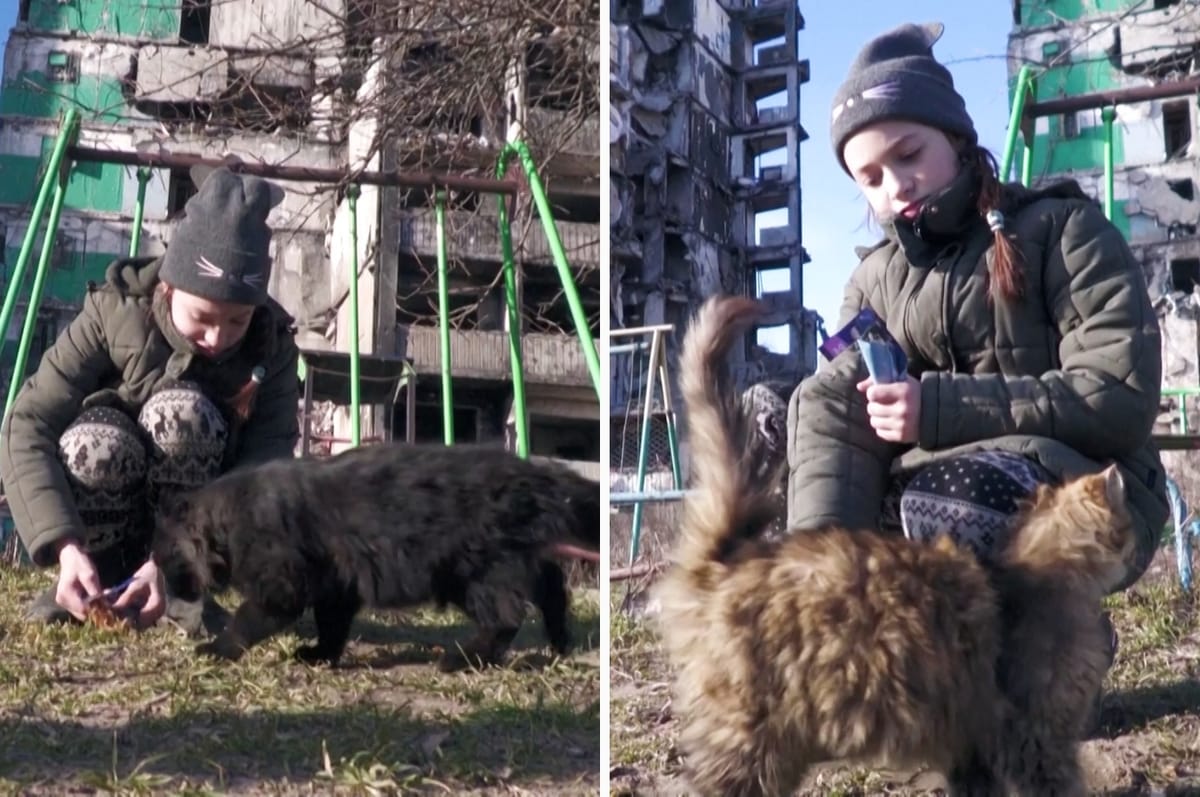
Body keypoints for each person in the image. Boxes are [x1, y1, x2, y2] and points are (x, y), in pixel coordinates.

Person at [786, 22, 1168, 595]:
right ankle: (835, 625)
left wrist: (937, 408)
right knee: (779, 431)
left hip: (1081, 484)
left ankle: (1056, 652)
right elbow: (839, 418)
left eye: (908, 153)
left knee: (956, 501)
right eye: (869, 178)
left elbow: (1118, 399)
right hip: (924, 476)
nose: (894, 186)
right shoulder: (871, 280)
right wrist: (823, 575)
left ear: (957, 138)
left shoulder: (1064, 232)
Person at [0, 166, 300, 633]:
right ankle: (91, 587)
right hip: (97, 542)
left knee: (184, 416)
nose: (218, 338)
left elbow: (264, 474)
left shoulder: (273, 346)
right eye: (201, 316)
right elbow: (27, 422)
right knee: (96, 440)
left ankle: (183, 595)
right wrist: (65, 547)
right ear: (169, 284)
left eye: (238, 321)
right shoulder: (112, 311)